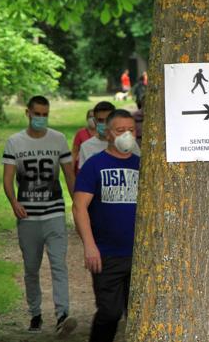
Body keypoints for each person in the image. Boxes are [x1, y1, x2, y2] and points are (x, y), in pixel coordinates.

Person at [1, 95, 78, 336]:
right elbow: (7, 178)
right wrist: (14, 202)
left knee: (58, 265)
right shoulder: (15, 142)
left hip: (54, 211)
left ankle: (62, 314)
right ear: (28, 113)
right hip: (28, 216)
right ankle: (35, 313)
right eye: (37, 114)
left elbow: (68, 174)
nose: (41, 118)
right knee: (31, 267)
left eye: (45, 114)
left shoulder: (58, 139)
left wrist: (78, 204)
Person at [72, 109, 140, 342]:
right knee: (110, 313)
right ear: (109, 134)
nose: (127, 135)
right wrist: (90, 247)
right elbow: (79, 207)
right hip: (106, 254)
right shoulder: (94, 165)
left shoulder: (143, 166)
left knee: (139, 315)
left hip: (140, 254)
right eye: (121, 130)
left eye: (131, 130)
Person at [79, 101, 140, 170]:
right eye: (100, 120)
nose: (105, 124)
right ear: (95, 121)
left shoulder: (130, 143)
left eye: (108, 120)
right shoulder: (86, 146)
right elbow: (84, 173)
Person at [72, 109, 96, 174]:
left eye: (94, 117)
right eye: (90, 117)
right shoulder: (80, 133)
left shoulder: (103, 134)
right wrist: (71, 170)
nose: (92, 119)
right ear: (87, 119)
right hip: (82, 168)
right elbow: (74, 152)